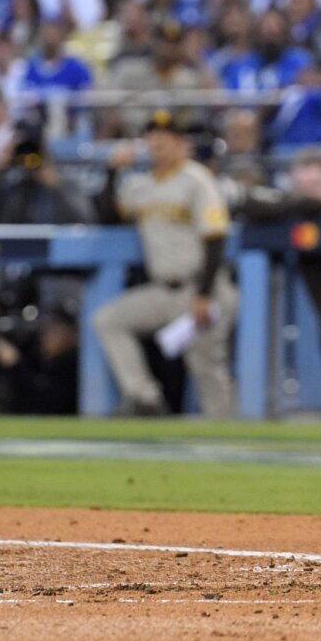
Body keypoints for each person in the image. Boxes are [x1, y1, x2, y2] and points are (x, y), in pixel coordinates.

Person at [92, 110, 237, 417]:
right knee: (108, 320)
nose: (157, 142)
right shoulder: (140, 185)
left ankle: (227, 436)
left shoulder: (197, 179)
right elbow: (106, 216)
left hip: (201, 287)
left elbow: (215, 239)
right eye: (152, 136)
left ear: (180, 143)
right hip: (164, 290)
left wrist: (204, 294)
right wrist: (111, 173)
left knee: (207, 369)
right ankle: (145, 398)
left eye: (166, 136)